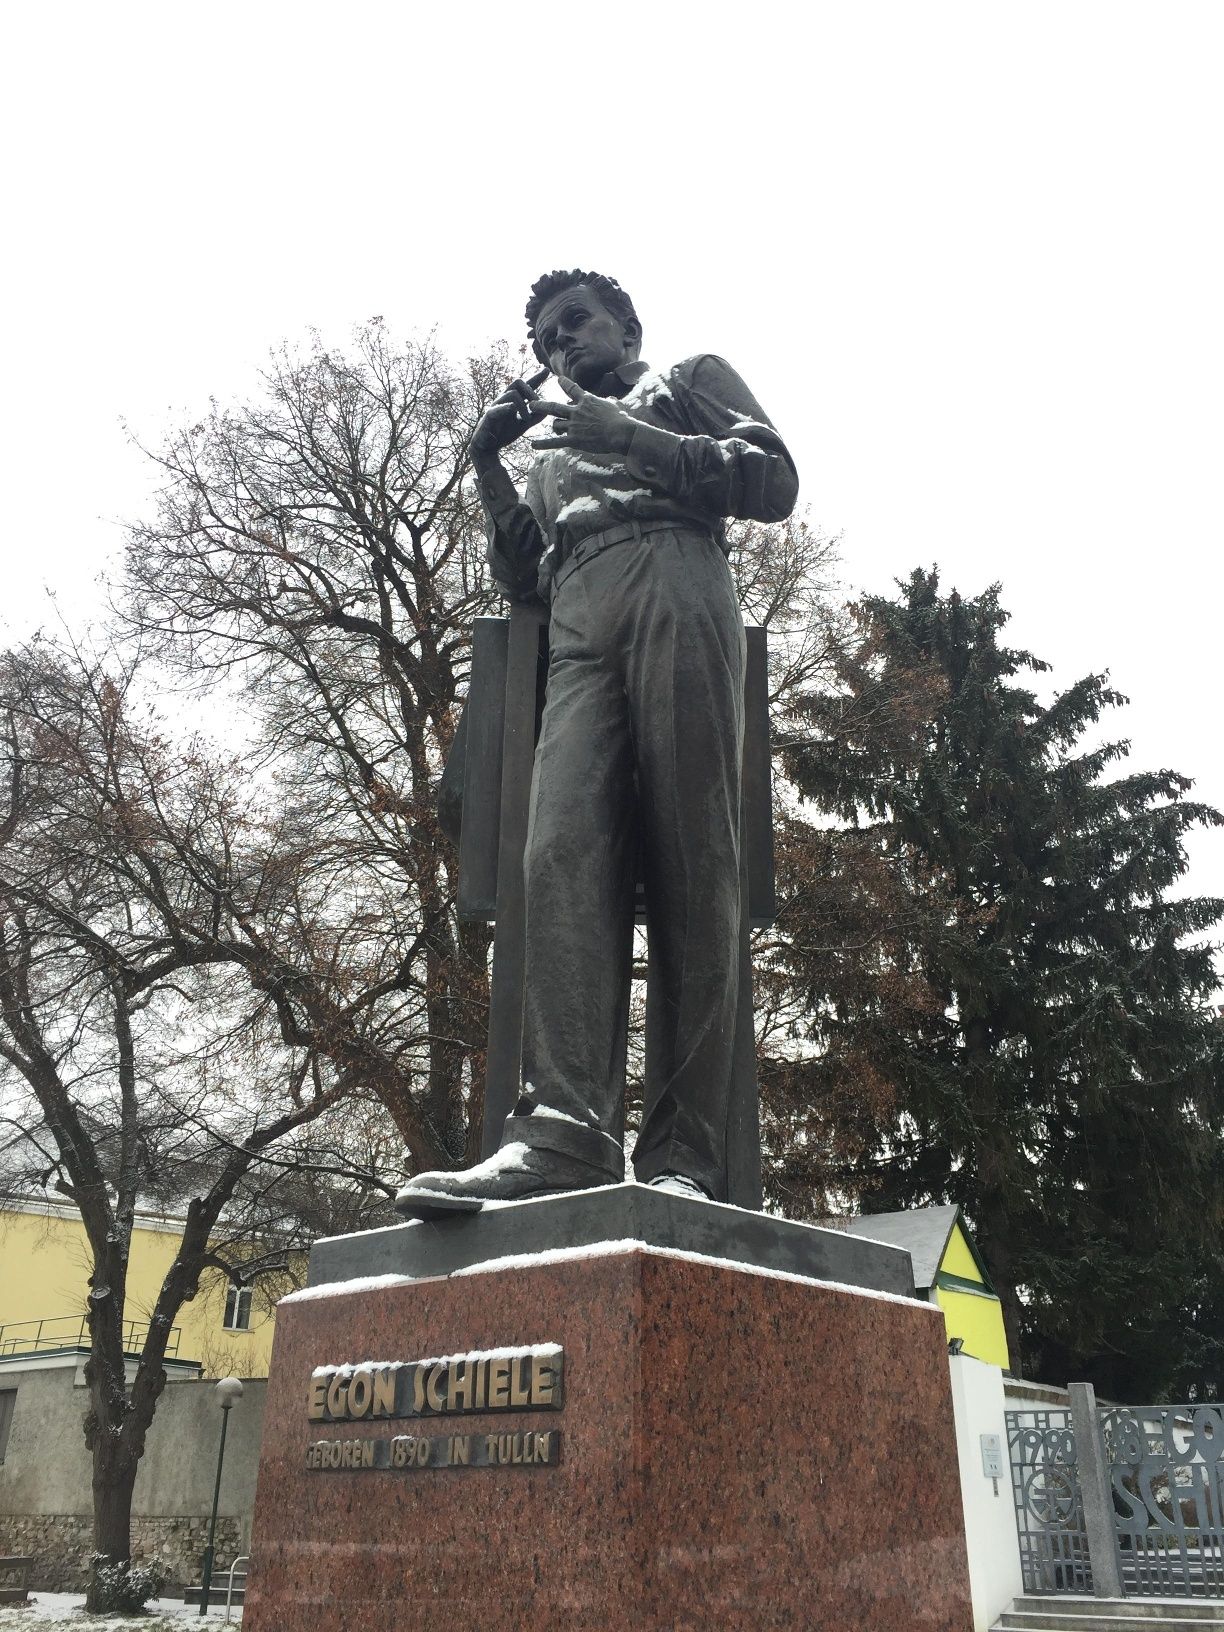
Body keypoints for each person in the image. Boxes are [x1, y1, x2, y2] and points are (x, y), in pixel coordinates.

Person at [396, 270, 797, 1217]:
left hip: (677, 577)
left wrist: (635, 441)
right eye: (543, 339)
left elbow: (773, 478)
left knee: (695, 860)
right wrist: (489, 466)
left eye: (573, 323)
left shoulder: (687, 378)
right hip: (580, 614)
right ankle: (566, 1134)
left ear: (626, 325)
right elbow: (525, 574)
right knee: (561, 851)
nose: (559, 344)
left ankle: (686, 1153)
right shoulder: (550, 460)